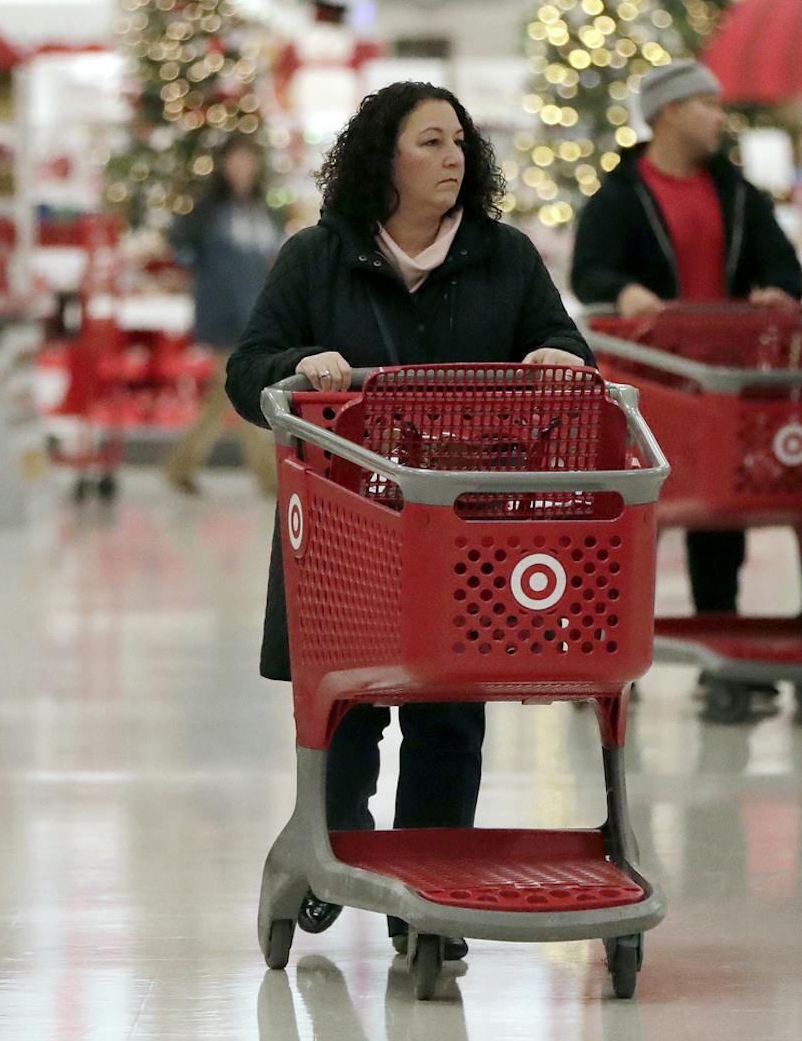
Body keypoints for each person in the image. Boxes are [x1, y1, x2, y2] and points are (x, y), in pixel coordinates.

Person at [227, 80, 591, 960]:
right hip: (349, 532)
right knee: (347, 710)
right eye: (430, 142)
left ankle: (429, 897)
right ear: (382, 159)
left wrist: (557, 355)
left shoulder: (505, 258)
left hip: (466, 536)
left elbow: (566, 347)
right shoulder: (316, 258)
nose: (453, 158)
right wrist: (295, 363)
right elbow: (247, 371)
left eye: (460, 142)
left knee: (450, 715)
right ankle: (339, 844)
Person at [571, 59, 802, 704]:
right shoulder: (620, 197)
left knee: (719, 516)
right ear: (667, 112)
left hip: (726, 384)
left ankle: (721, 653)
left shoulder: (737, 194)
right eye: (707, 104)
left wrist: (775, 290)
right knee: (633, 518)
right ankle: (610, 652)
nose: (719, 117)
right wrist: (625, 292)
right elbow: (589, 271)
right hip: (651, 385)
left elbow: (784, 265)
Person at [163, 138, 286, 495]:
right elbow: (180, 244)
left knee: (222, 397)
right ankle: (268, 477)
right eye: (237, 160)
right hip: (223, 318)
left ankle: (180, 466)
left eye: (249, 159)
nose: (244, 167)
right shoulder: (209, 211)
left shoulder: (262, 210)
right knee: (245, 391)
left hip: (254, 316)